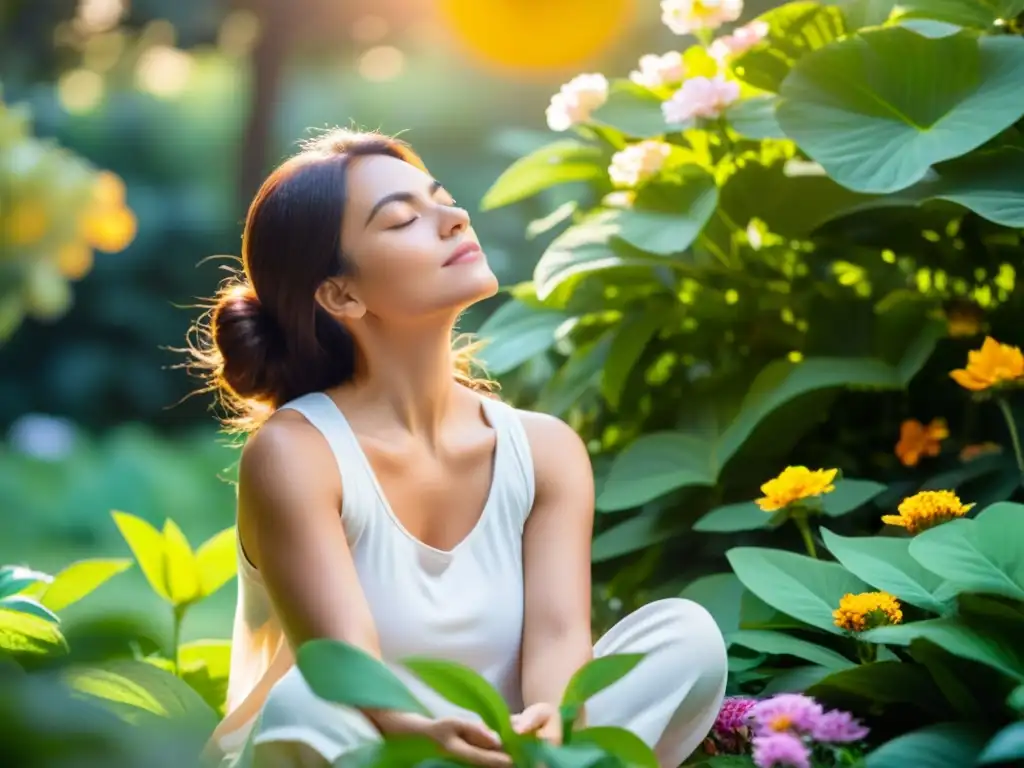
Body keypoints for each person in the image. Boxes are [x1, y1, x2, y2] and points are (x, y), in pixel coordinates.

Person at [192, 129, 727, 768]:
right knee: (306, 700)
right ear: (341, 294)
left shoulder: (545, 449)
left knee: (685, 636)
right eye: (402, 219)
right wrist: (417, 733)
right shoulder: (296, 452)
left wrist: (552, 725)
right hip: (363, 746)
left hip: (503, 753)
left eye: (441, 199)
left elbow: (559, 639)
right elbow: (344, 663)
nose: (453, 219)